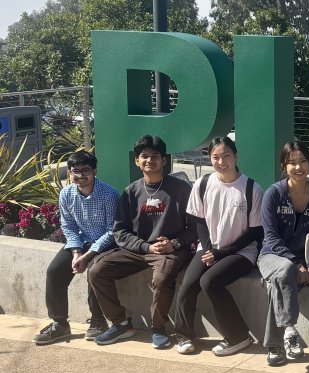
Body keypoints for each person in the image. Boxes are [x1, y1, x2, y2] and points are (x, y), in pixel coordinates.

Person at [89, 135, 194, 349]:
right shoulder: (131, 192)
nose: (149, 160)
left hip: (170, 250)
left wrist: (174, 243)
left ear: (164, 161)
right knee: (97, 270)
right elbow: (120, 231)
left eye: (155, 156)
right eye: (144, 156)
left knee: (163, 277)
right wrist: (145, 246)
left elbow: (195, 228)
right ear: (137, 161)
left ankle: (158, 328)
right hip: (139, 249)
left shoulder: (182, 189)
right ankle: (120, 324)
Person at [172, 136, 263, 356]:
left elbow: (255, 232)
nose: (221, 162)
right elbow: (199, 221)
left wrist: (223, 253)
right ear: (209, 158)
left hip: (241, 252)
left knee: (210, 281)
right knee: (188, 283)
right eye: (215, 157)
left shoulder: (251, 188)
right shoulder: (203, 184)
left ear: (236, 156)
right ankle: (183, 336)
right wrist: (210, 249)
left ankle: (238, 337)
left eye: (226, 156)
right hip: (210, 249)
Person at [33, 151, 119, 345]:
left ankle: (98, 321)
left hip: (103, 244)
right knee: (54, 272)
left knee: (94, 272)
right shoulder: (66, 193)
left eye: (85, 170)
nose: (80, 176)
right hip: (79, 242)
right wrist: (76, 252)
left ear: (95, 171)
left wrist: (88, 255)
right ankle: (60, 323)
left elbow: (112, 231)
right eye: (75, 171)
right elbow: (68, 226)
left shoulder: (110, 194)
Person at [258, 141, 309, 366]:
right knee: (285, 269)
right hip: (271, 256)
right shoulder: (273, 194)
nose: (298, 167)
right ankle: (290, 329)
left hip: (304, 262)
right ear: (284, 166)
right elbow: (270, 237)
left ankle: (274, 346)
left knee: (277, 283)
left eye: (303, 162)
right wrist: (295, 262)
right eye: (292, 163)